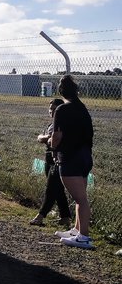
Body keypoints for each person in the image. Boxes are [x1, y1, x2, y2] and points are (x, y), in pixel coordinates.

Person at [51, 75, 95, 249]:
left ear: (61, 91)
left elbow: (57, 136)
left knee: (80, 199)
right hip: (85, 156)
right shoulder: (82, 108)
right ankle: (77, 230)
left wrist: (53, 149)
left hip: (70, 157)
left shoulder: (62, 110)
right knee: (79, 197)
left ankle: (84, 236)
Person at [29, 98, 72, 227]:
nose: (51, 111)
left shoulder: (63, 124)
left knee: (51, 187)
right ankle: (65, 217)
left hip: (57, 159)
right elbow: (41, 138)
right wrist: (46, 138)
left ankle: (41, 215)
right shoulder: (51, 125)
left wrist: (46, 138)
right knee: (57, 189)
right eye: (50, 109)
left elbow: (53, 139)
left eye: (54, 109)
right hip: (48, 158)